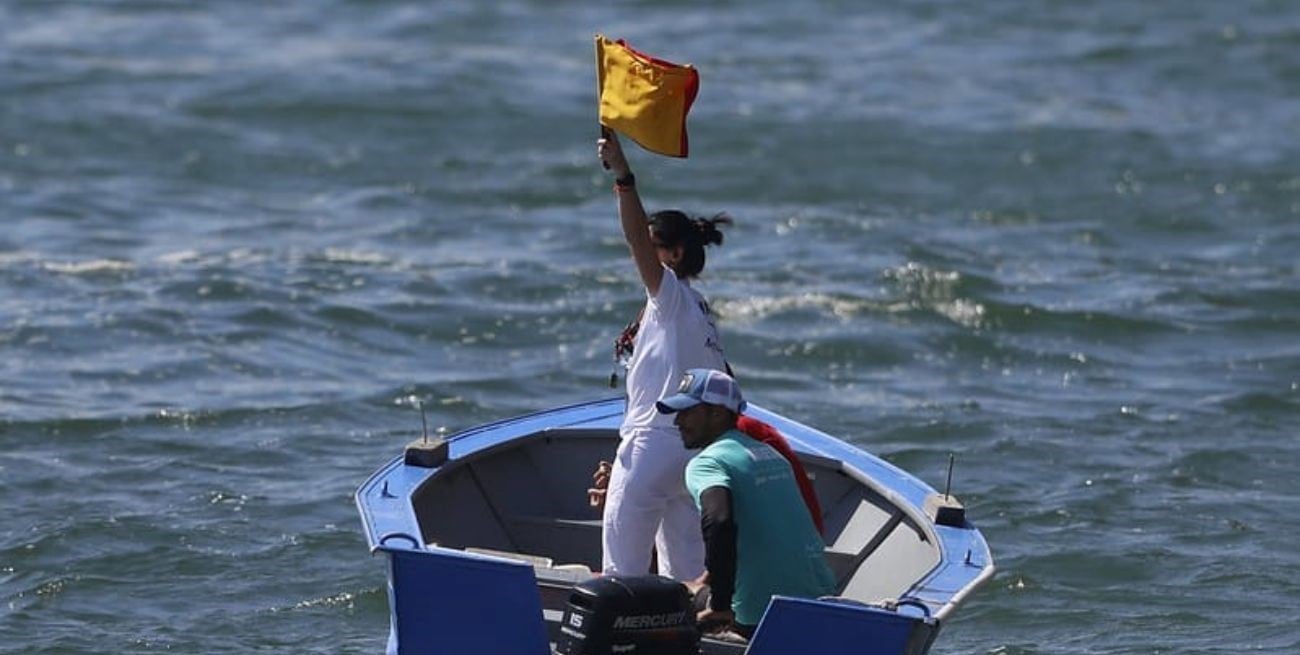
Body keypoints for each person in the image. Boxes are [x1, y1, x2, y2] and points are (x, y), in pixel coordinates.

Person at [592, 129, 733, 582]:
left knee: (621, 574)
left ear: (673, 254)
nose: (642, 258)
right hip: (693, 453)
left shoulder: (670, 295)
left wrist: (623, 175)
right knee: (686, 578)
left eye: (655, 249)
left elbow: (634, 238)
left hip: (652, 443)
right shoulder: (701, 312)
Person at [656, 368, 836, 639]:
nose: (678, 421)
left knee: (669, 595)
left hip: (758, 612)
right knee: (698, 584)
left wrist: (720, 606)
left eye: (687, 412)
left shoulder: (708, 462)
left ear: (717, 413)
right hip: (819, 600)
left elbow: (719, 522)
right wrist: (712, 577)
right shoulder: (772, 455)